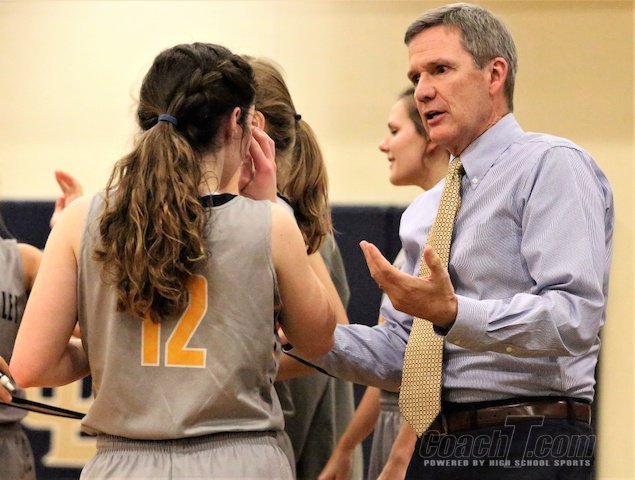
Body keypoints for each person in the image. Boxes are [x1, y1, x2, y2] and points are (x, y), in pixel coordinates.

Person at [287, 3, 614, 479]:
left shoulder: (551, 165)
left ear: (494, 75)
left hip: (532, 437)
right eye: (416, 76)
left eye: (440, 69)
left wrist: (454, 313)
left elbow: (574, 318)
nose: (422, 90)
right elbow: (404, 353)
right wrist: (304, 335)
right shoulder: (425, 211)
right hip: (438, 442)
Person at [10, 42, 336, 479]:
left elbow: (31, 366)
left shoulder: (78, 219)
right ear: (238, 122)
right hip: (239, 460)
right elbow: (319, 340)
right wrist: (272, 205)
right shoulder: (271, 223)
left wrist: (117, 347)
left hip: (123, 465)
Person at [318, 87, 449, 480]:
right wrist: (347, 446)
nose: (383, 144)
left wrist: (401, 453)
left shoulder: (446, 224)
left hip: (422, 431)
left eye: (394, 131)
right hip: (396, 423)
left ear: (430, 138)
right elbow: (393, 361)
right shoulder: (418, 224)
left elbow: (434, 359)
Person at [245, 56, 363, 480]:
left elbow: (333, 338)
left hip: (307, 445)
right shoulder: (275, 220)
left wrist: (229, 365)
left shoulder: (282, 225)